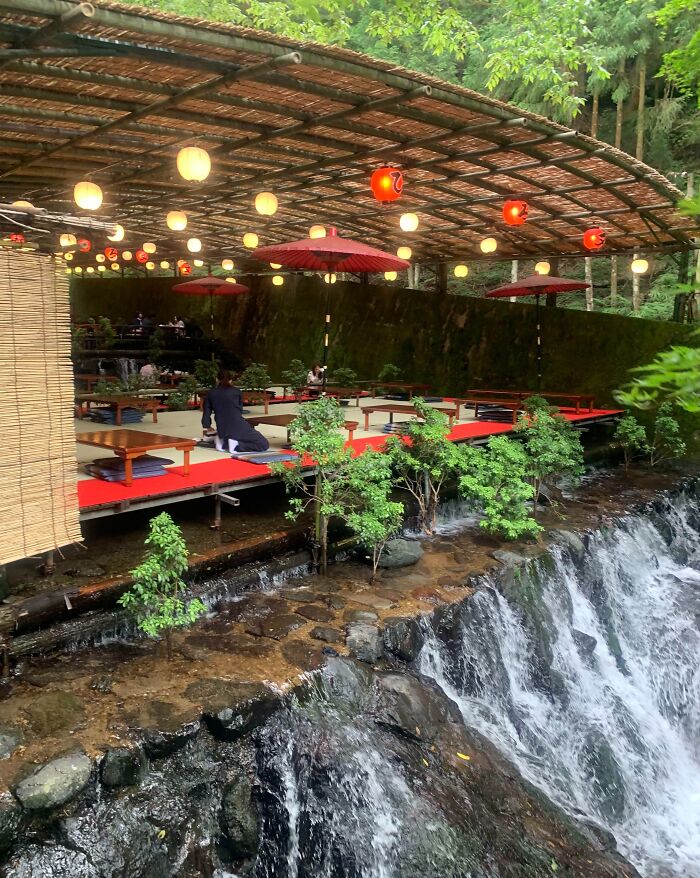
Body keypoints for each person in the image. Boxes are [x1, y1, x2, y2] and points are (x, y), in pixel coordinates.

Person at [202, 369, 270, 455]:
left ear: (216, 379)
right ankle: (236, 445)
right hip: (238, 425)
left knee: (230, 434)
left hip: (222, 427)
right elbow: (239, 410)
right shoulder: (237, 392)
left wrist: (206, 426)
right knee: (263, 444)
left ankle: (222, 441)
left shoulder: (211, 393)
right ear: (231, 380)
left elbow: (206, 413)